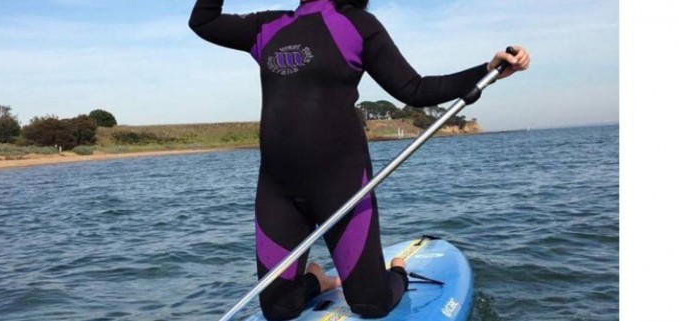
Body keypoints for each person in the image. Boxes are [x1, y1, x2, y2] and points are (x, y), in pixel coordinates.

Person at [189, 0, 530, 319]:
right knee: (278, 310)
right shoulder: (267, 26)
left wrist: (488, 70)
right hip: (278, 192)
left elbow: (415, 89)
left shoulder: (357, 25)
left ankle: (396, 270)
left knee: (371, 304)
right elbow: (203, 21)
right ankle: (318, 280)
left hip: (341, 188)